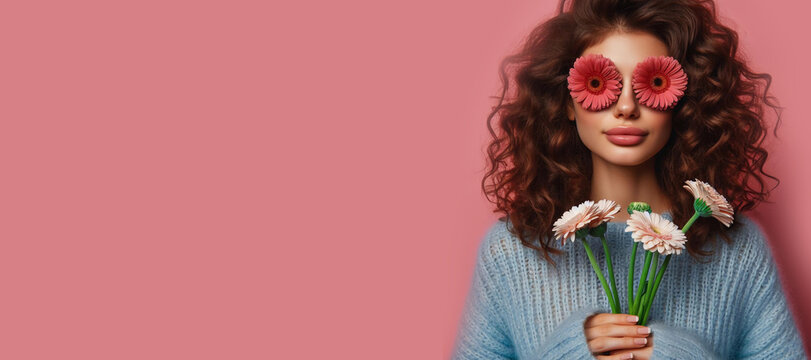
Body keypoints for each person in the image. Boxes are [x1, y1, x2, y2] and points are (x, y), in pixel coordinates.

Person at [451, 0, 807, 359]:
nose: (626, 106)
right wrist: (568, 351)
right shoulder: (511, 252)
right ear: (566, 104)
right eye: (597, 83)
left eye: (653, 83)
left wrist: (677, 354)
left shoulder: (738, 251)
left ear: (682, 104)